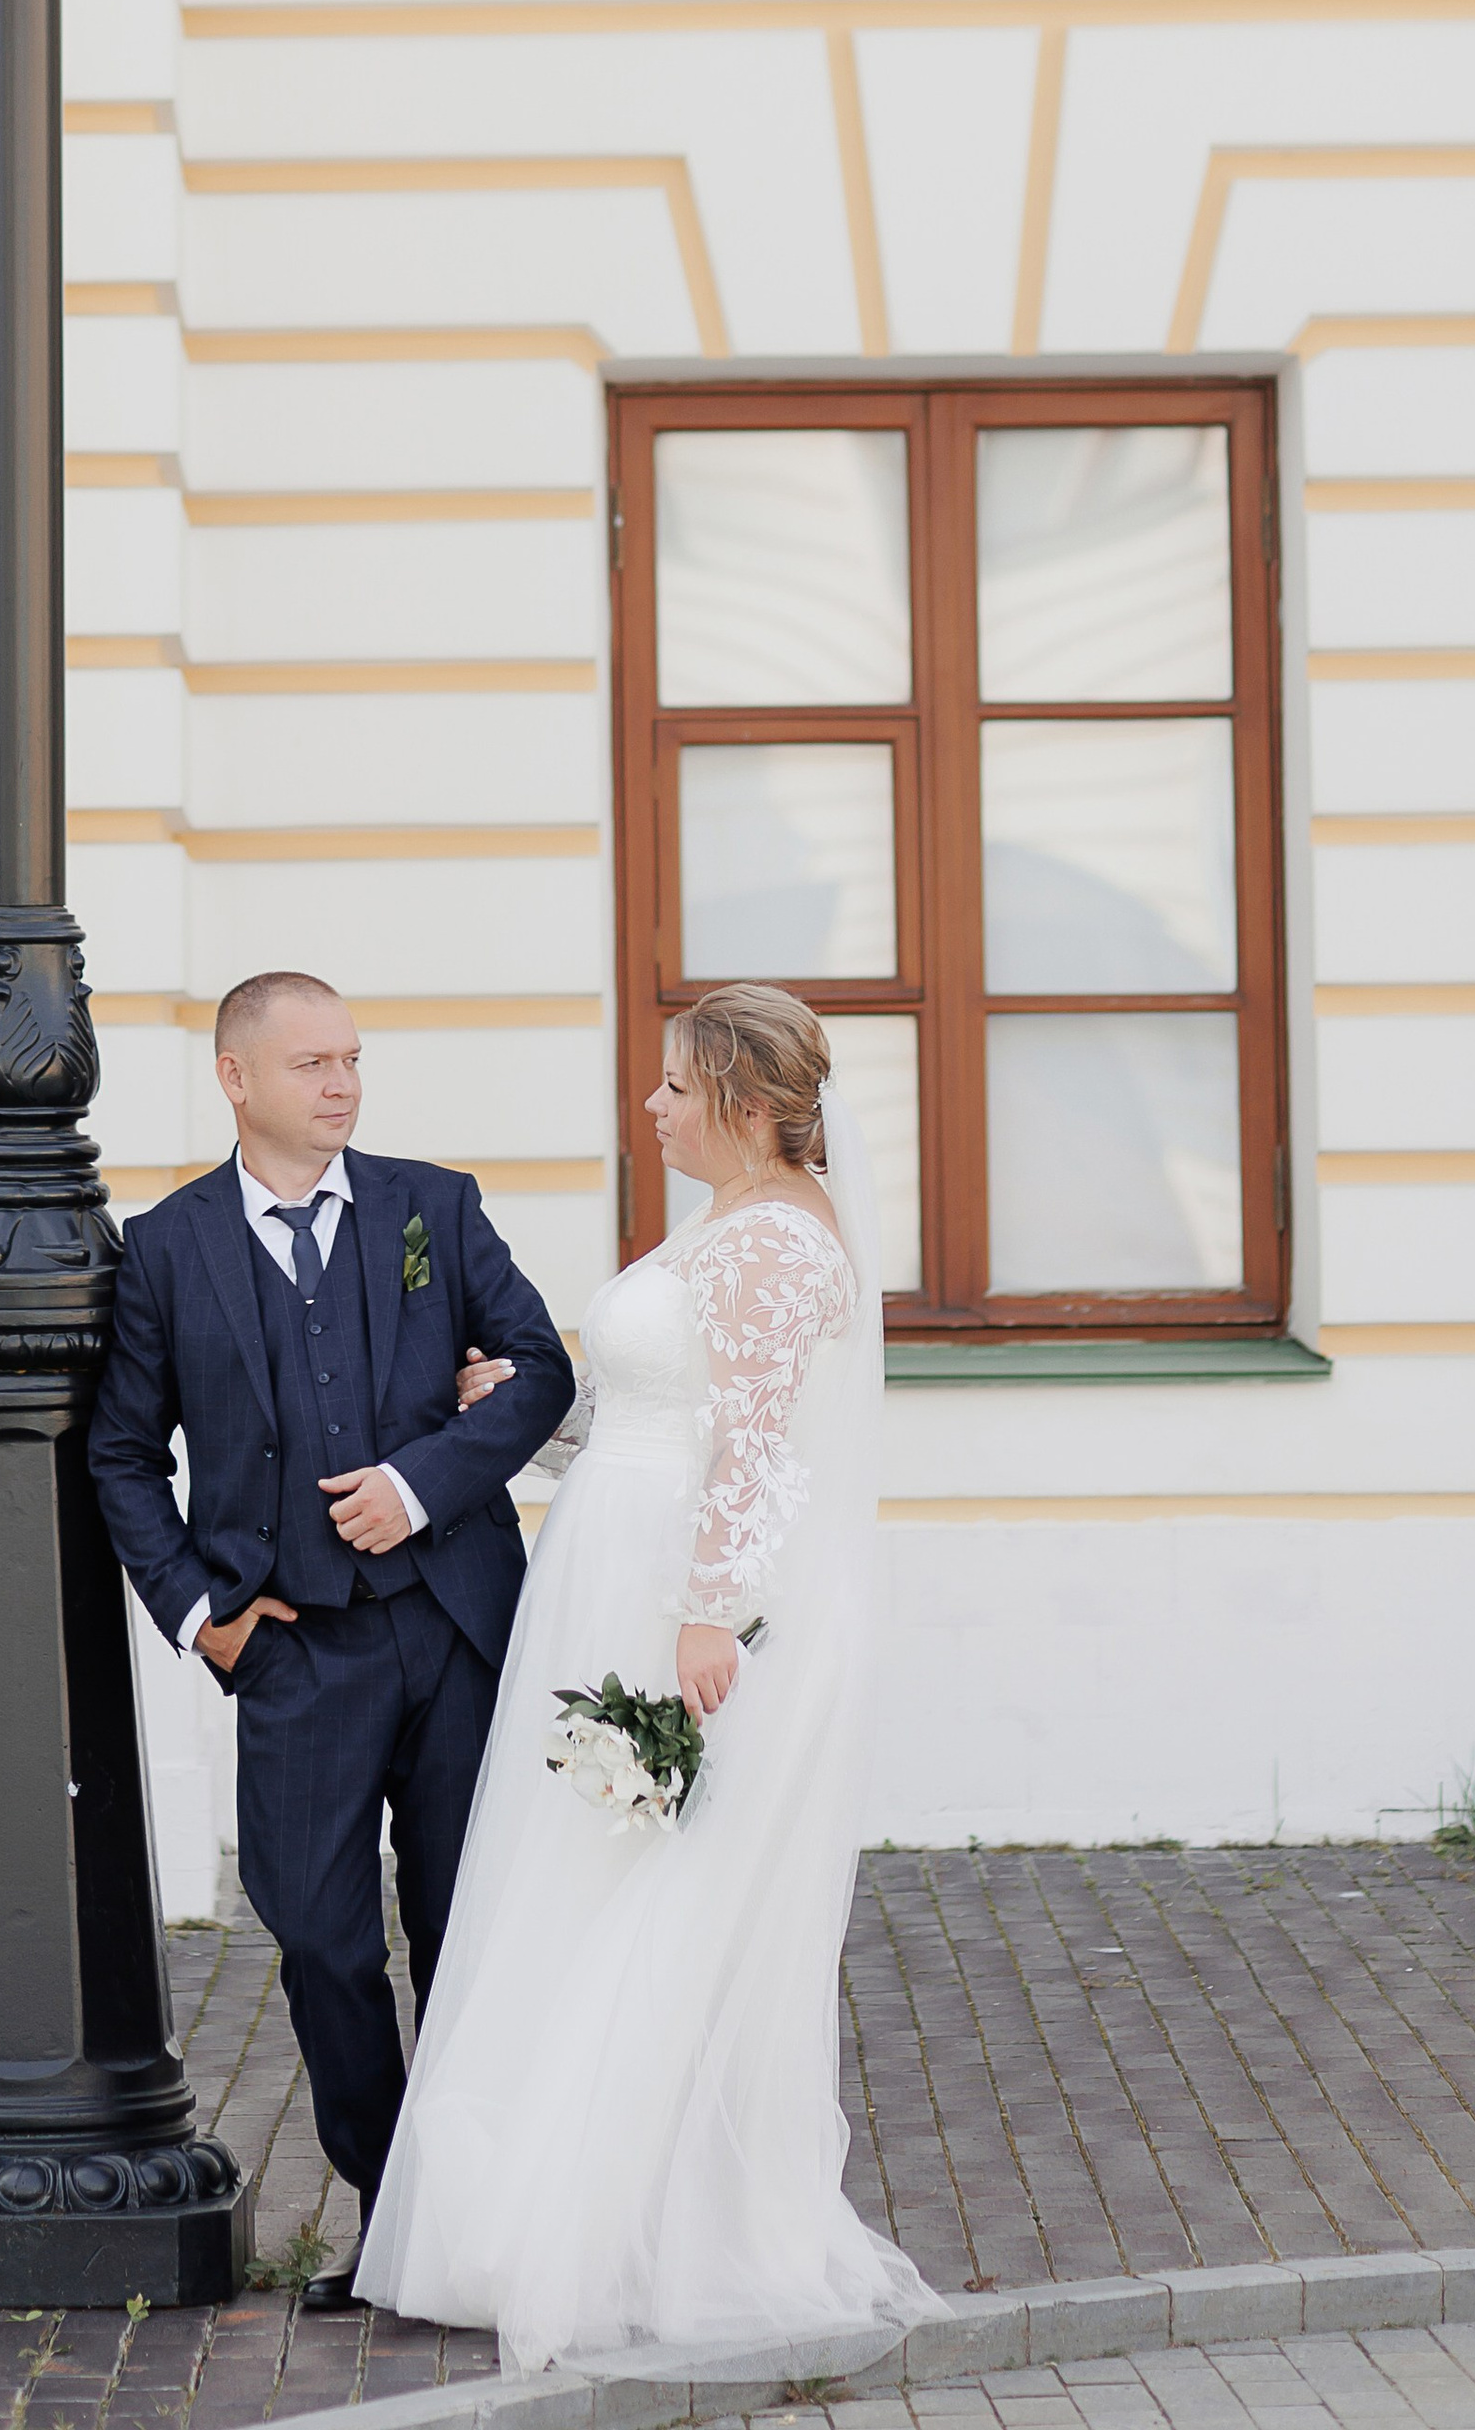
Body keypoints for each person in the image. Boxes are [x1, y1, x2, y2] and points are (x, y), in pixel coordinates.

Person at [357, 983, 941, 2375]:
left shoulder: (778, 1245)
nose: (653, 1104)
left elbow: (754, 1441)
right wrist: (527, 1420)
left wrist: (710, 1614)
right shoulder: (729, 1225)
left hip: (675, 1595)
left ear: (740, 1098)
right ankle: (556, 2207)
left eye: (675, 1085)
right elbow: (657, 1419)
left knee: (654, 1888)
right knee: (588, 1872)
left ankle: (624, 2225)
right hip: (618, 1562)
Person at [86, 968, 574, 2313]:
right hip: (295, 1651)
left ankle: (466, 2221)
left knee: (463, 1920)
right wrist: (207, 1614)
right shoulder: (167, 1248)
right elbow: (124, 1454)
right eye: (313, 1063)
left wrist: (421, 1481)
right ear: (237, 1078)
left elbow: (541, 1368)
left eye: (353, 1059)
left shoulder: (434, 1205)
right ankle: (388, 2189)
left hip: (454, 1626)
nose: (343, 1083)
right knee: (321, 1937)